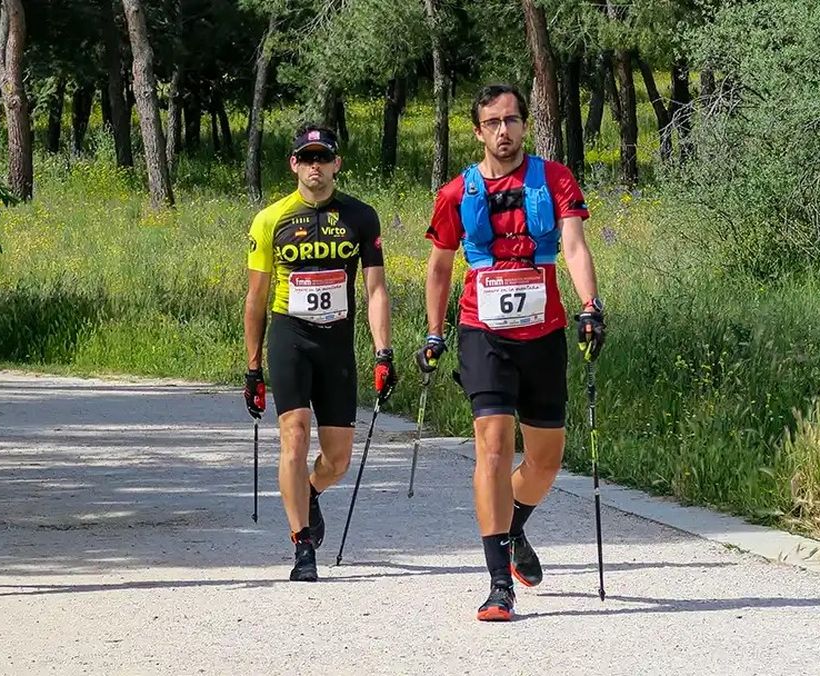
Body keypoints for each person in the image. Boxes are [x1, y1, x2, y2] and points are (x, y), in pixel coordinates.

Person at [417, 85, 606, 620]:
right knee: (494, 448)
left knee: (545, 461)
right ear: (478, 131)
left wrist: (590, 304)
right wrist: (436, 332)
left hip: (543, 333)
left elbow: (573, 245)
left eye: (513, 120)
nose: (505, 130)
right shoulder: (458, 192)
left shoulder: (555, 179)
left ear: (525, 125)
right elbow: (439, 267)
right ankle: (499, 583)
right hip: (485, 333)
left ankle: (514, 525)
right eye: (494, 122)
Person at [243, 125, 396, 582]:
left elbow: (375, 290)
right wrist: (252, 367)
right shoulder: (270, 220)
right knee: (294, 435)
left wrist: (383, 352)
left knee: (338, 460)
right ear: (293, 164)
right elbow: (255, 297)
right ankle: (302, 544)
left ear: (336, 164)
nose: (315, 166)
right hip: (290, 335)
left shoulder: (361, 216)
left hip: (337, 343)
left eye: (323, 158)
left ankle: (308, 492)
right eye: (306, 158)